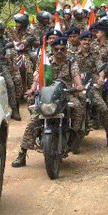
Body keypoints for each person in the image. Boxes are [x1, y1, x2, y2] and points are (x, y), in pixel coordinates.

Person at [14, 37, 83, 167]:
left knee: (78, 107)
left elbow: (76, 76)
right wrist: (32, 89)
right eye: (56, 49)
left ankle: (75, 137)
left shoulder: (70, 62)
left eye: (62, 49)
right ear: (52, 49)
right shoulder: (45, 61)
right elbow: (37, 78)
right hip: (46, 96)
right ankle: (22, 154)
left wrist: (79, 86)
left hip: (65, 94)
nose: (59, 52)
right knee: (33, 120)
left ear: (66, 50)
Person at [74, 31, 108, 147]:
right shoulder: (73, 54)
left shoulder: (95, 54)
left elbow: (100, 67)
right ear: (80, 41)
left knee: (102, 107)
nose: (86, 42)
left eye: (89, 40)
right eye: (84, 40)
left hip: (90, 81)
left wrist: (101, 78)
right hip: (76, 82)